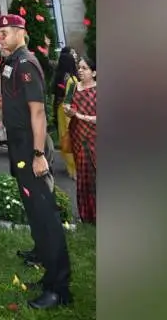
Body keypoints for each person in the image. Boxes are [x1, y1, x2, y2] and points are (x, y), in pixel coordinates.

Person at [0, 15, 72, 310]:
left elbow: (37, 112)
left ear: (20, 33)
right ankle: (46, 263)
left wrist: (38, 155)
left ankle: (59, 287)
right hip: (19, 143)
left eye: (5, 32)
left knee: (45, 213)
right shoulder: (11, 62)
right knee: (34, 209)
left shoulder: (26, 63)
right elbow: (13, 100)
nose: (0, 37)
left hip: (31, 146)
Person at [64, 56, 97, 224]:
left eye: (85, 68)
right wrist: (69, 111)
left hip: (95, 138)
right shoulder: (74, 88)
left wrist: (83, 116)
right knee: (83, 174)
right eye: (80, 68)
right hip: (78, 136)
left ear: (94, 72)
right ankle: (86, 215)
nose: (81, 71)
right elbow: (66, 106)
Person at [52, 46, 79, 179]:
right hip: (68, 111)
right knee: (70, 137)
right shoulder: (72, 80)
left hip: (60, 109)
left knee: (64, 137)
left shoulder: (59, 76)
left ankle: (71, 168)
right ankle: (74, 170)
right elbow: (70, 99)